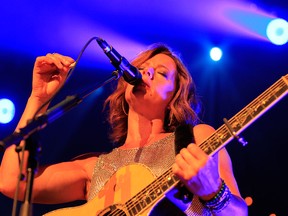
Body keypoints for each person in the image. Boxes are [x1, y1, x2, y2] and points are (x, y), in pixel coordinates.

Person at [0, 43, 248, 215]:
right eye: (140, 68)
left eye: (161, 73)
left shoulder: (196, 139)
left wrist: (213, 192)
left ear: (175, 95)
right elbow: (11, 182)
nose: (146, 72)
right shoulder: (96, 166)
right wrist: (38, 99)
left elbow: (238, 214)